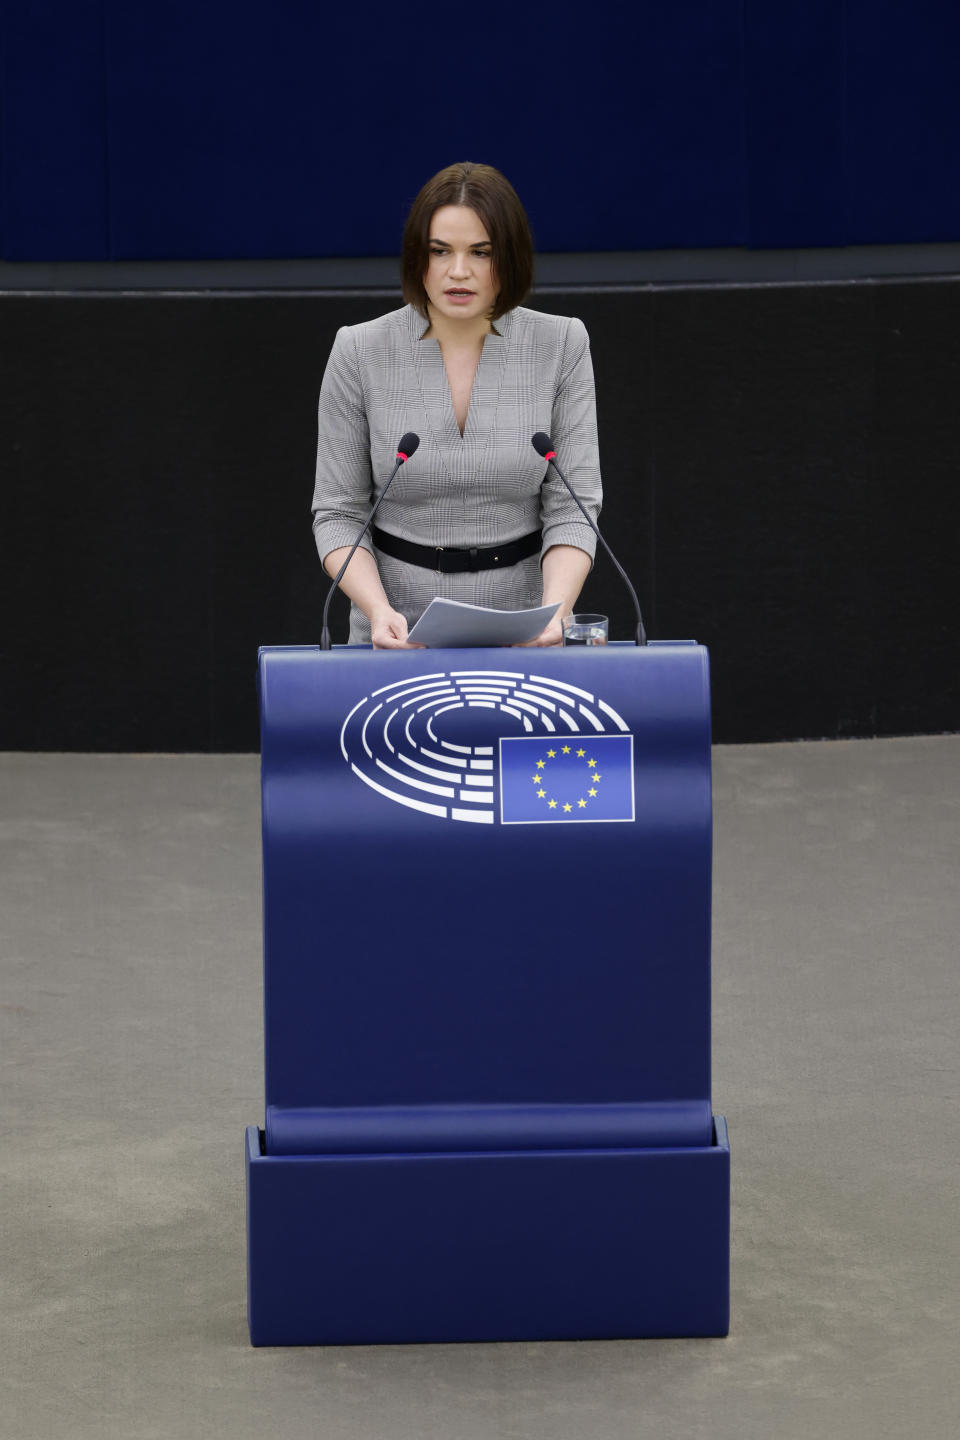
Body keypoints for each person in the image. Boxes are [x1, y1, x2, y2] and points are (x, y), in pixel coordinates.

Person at [311, 162, 602, 649]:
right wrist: (377, 610)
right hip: (393, 636)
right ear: (415, 258)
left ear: (509, 258)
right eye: (439, 251)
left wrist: (557, 612)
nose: (459, 271)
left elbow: (574, 507)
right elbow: (337, 513)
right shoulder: (359, 351)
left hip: (529, 633)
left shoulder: (562, 343)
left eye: (481, 252)